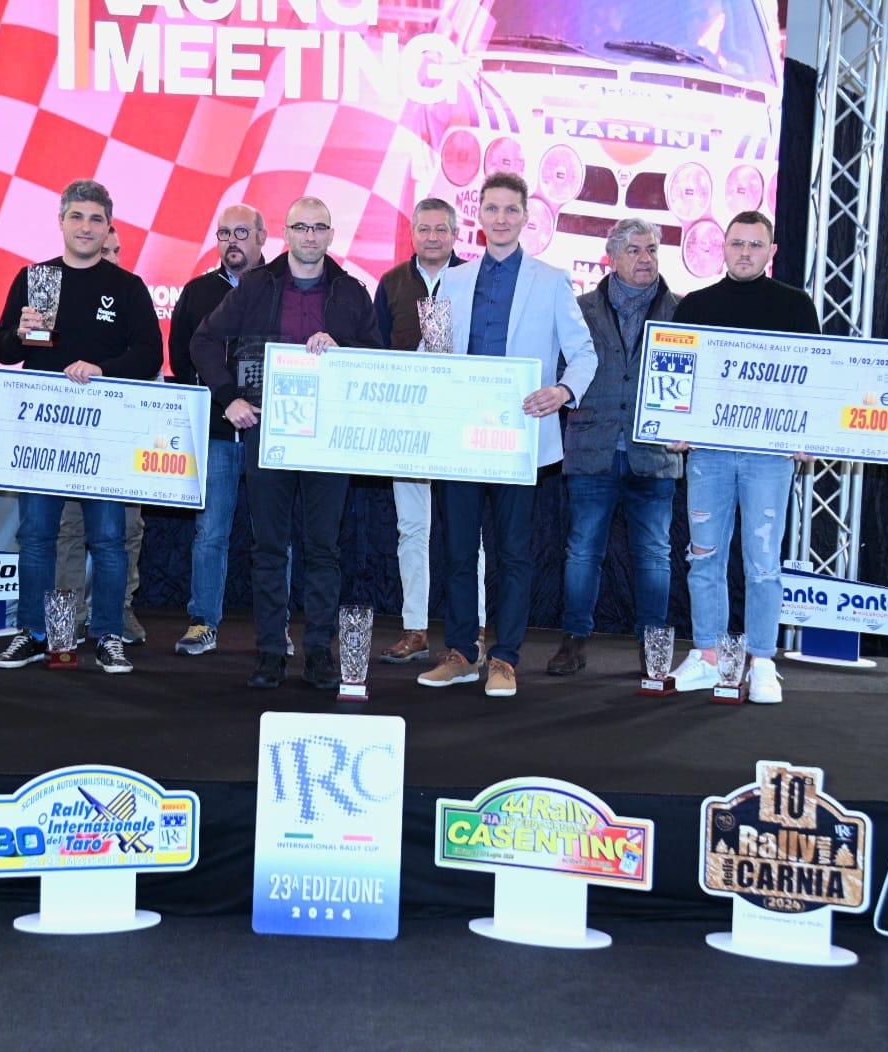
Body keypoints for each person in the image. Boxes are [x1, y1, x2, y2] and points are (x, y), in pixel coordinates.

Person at [416, 171, 596, 698]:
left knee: (514, 554)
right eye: (491, 209)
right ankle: (461, 653)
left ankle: (505, 659)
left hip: (520, 439)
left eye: (510, 209)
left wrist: (562, 391)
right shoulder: (451, 280)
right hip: (460, 439)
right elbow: (432, 353)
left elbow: (584, 354)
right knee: (456, 551)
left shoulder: (552, 280)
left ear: (525, 217)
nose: (500, 218)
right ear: (479, 215)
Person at [189, 196, 380, 689]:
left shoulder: (351, 292)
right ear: (286, 233)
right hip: (268, 434)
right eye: (301, 227)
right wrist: (228, 397)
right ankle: (271, 652)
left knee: (323, 550)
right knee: (269, 549)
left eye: (319, 227)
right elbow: (203, 340)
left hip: (328, 439)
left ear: (331, 234)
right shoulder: (256, 286)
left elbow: (378, 357)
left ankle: (318, 653)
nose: (310, 236)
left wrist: (343, 349)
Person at [0, 180, 162, 673]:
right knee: (36, 536)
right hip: (43, 432)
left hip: (104, 434)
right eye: (77, 217)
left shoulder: (126, 287)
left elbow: (150, 353)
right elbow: (4, 350)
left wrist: (103, 369)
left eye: (95, 219)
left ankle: (107, 634)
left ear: (108, 227)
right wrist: (20, 333)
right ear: (61, 222)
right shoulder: (35, 278)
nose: (86, 227)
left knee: (108, 539)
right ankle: (33, 632)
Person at [666, 210, 821, 704]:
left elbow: (815, 377)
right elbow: (679, 377)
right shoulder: (695, 305)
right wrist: (673, 427)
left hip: (769, 456)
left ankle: (762, 662)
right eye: (737, 243)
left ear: (771, 252)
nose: (745, 252)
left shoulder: (796, 305)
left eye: (756, 245)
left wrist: (809, 434)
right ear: (723, 247)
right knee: (703, 557)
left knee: (764, 563)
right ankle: (708, 655)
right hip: (709, 455)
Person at [547, 218, 681, 675]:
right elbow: (560, 371)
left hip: (657, 452)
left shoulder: (682, 311)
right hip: (592, 446)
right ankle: (573, 640)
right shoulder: (579, 309)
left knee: (655, 554)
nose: (645, 259)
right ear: (612, 258)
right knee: (583, 551)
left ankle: (653, 647)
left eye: (652, 250)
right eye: (634, 250)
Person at [371, 198, 485, 665]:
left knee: (470, 535)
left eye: (442, 229)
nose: (433, 237)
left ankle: (475, 630)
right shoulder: (392, 282)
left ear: (456, 234)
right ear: (412, 234)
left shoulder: (476, 279)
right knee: (411, 529)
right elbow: (376, 351)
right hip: (409, 424)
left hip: (461, 422)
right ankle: (414, 628)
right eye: (424, 229)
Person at [168, 203, 269, 656]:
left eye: (242, 232)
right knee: (210, 533)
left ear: (262, 237)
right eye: (224, 233)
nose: (232, 242)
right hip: (215, 431)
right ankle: (202, 623)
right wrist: (223, 400)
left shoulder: (282, 288)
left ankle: (275, 629)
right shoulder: (197, 292)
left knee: (275, 538)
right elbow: (181, 358)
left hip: (271, 436)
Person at [54, 223, 152, 646]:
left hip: (120, 437)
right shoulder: (62, 296)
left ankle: (119, 609)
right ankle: (70, 615)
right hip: (70, 436)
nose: (109, 257)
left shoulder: (131, 295)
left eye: (115, 251)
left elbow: (150, 361)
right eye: (104, 250)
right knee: (69, 528)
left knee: (126, 529)